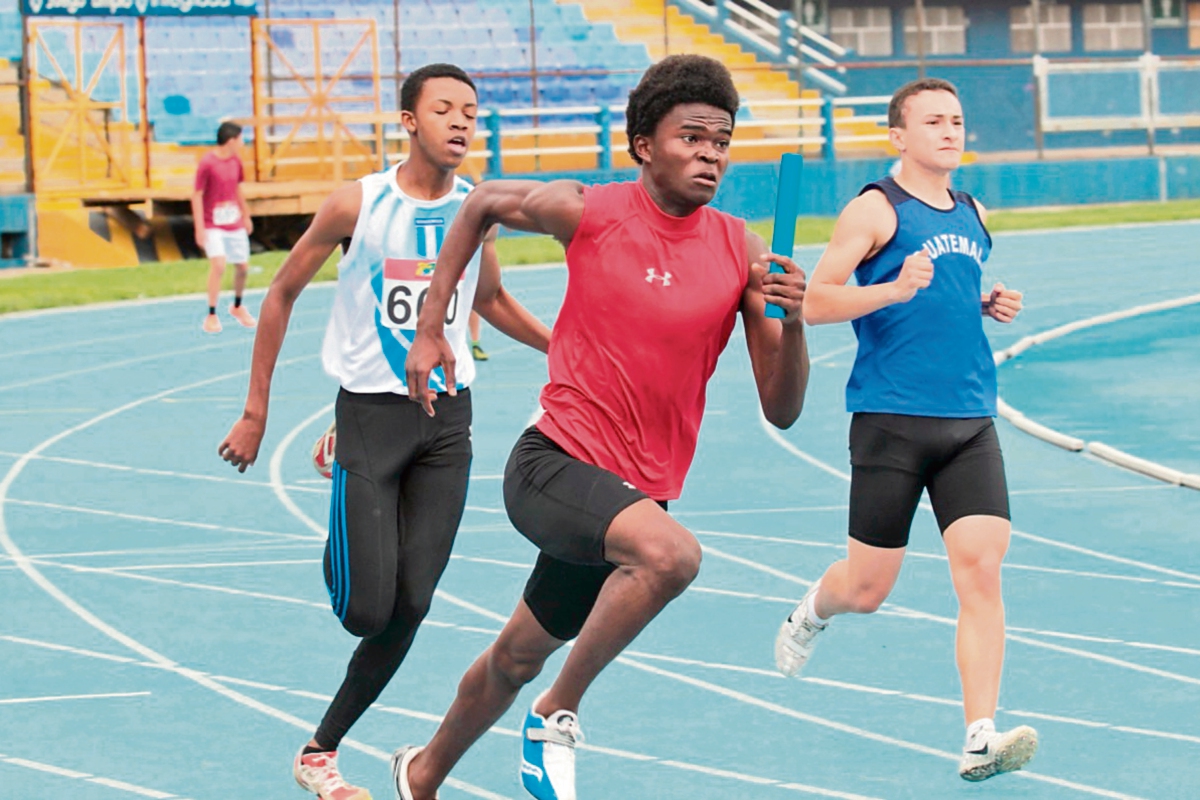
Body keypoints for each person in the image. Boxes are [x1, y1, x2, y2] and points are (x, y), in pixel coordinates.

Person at [393, 54, 811, 800]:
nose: (710, 153)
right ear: (644, 145)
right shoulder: (590, 210)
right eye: (691, 136)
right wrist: (432, 328)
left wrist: (796, 319)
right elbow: (483, 200)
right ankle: (557, 714)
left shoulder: (742, 249)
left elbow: (782, 407)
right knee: (672, 558)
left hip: (637, 492)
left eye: (722, 140)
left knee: (516, 657)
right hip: (554, 463)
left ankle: (420, 775)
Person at [216, 63, 552, 800]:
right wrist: (255, 411)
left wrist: (563, 347)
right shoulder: (357, 204)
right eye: (444, 110)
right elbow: (280, 295)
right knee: (366, 608)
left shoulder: (477, 207)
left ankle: (320, 752)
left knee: (414, 605)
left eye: (471, 112)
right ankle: (342, 466)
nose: (462, 123)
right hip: (369, 414)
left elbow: (490, 300)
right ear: (408, 121)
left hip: (446, 424)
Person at [771, 77, 1035, 782]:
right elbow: (816, 303)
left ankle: (979, 734)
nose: (951, 132)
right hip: (892, 420)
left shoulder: (973, 211)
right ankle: (811, 611)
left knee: (982, 569)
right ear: (898, 137)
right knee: (867, 588)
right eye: (933, 122)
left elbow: (938, 294)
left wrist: (981, 301)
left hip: (971, 419)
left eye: (956, 119)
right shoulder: (874, 209)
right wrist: (890, 289)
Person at [193, 121, 257, 334]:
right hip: (213, 224)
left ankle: (237, 306)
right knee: (219, 265)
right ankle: (211, 313)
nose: (243, 142)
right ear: (231, 140)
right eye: (240, 139)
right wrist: (199, 227)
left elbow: (237, 189)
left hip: (234, 222)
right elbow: (197, 195)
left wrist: (246, 215)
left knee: (242, 267)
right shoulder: (207, 163)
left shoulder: (236, 162)